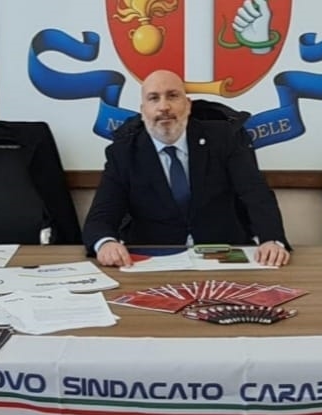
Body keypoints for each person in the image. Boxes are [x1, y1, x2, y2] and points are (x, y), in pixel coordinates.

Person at [82, 69, 290, 267]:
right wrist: (106, 243)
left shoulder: (224, 138)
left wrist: (271, 240)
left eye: (172, 96)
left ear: (188, 105)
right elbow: (101, 216)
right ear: (143, 111)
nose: (164, 107)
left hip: (223, 252)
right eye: (154, 98)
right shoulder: (124, 152)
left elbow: (256, 195)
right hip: (155, 260)